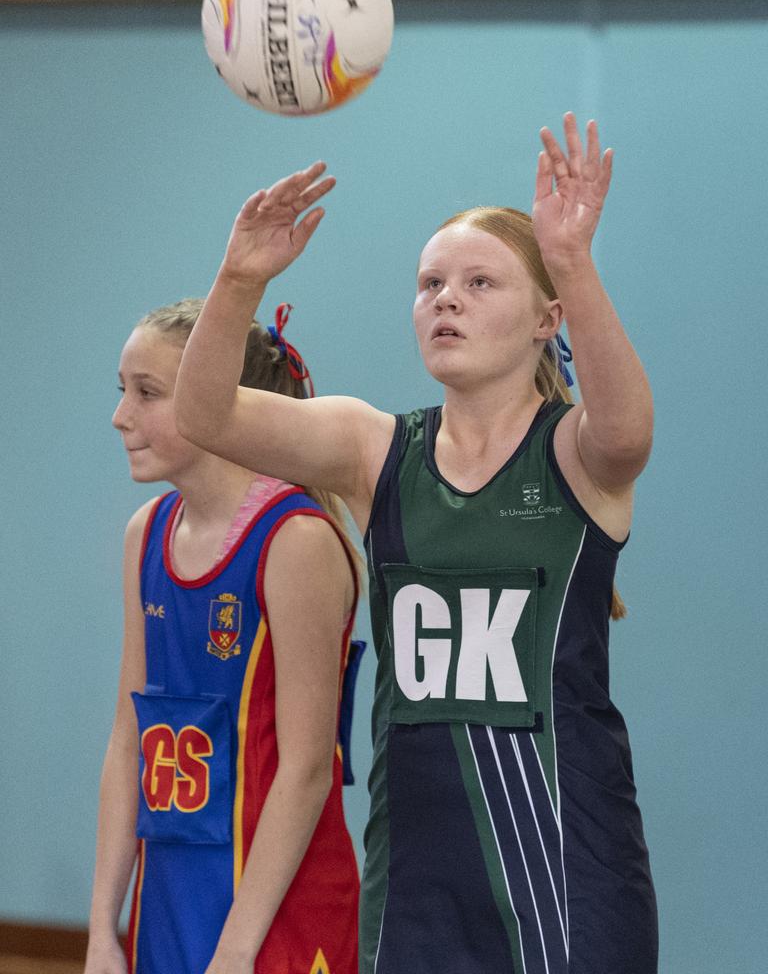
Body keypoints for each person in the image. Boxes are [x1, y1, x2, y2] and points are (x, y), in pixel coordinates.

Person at [173, 114, 658, 974]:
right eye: (431, 283)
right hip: (417, 877)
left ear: (548, 318)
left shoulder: (575, 453)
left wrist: (574, 261)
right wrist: (238, 279)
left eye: (479, 283)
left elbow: (628, 433)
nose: (447, 300)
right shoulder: (374, 447)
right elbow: (205, 415)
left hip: (566, 872)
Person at [84, 299, 360, 974]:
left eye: (147, 393)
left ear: (216, 398)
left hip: (277, 912)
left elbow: (304, 772)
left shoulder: (294, 541)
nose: (121, 416)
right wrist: (100, 932)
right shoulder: (145, 534)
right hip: (173, 897)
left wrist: (236, 952)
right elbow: (129, 738)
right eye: (123, 390)